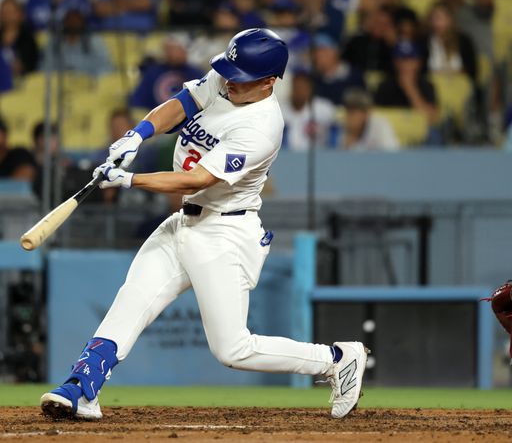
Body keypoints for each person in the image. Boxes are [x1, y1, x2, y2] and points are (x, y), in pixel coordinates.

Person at [39, 28, 368, 420]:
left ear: (268, 82)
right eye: (228, 71)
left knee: (232, 349)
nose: (229, 81)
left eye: (241, 77)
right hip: (184, 222)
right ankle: (82, 386)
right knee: (133, 299)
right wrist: (137, 134)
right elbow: (182, 102)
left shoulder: (261, 126)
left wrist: (130, 180)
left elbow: (198, 180)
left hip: (225, 234)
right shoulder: (227, 80)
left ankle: (336, 359)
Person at [129, 33, 204, 111]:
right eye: (168, 49)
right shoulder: (153, 72)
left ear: (184, 50)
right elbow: (138, 100)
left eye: (175, 49)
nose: (171, 54)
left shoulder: (195, 73)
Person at [375, 41, 439, 123]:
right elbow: (376, 118)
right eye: (401, 59)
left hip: (419, 133)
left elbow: (431, 119)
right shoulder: (385, 86)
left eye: (410, 59)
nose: (405, 64)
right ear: (395, 62)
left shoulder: (427, 86)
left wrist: (410, 89)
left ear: (418, 62)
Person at [41, 8, 112, 75]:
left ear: (83, 25)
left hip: (89, 83)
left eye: (76, 22)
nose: (73, 25)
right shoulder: (55, 42)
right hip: (60, 84)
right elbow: (45, 66)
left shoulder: (94, 41)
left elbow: (105, 67)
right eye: (69, 22)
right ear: (64, 24)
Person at [420, 2, 478, 82]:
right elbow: (421, 72)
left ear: (450, 19)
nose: (437, 22)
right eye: (434, 18)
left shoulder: (463, 41)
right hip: (432, 87)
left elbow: (472, 70)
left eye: (440, 18)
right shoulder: (424, 42)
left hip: (460, 86)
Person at [280, 71, 337, 151]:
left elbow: (337, 129)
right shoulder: (281, 110)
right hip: (288, 157)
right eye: (296, 87)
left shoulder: (324, 108)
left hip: (318, 157)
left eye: (302, 88)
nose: (299, 91)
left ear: (310, 89)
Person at [0, 0, 39, 77]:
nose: (7, 16)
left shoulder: (29, 40)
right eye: (3, 12)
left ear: (20, 14)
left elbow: (32, 66)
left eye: (10, 12)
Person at [311, 33, 365, 106]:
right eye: (315, 52)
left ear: (335, 52)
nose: (317, 57)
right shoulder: (313, 79)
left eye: (323, 52)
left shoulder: (355, 76)